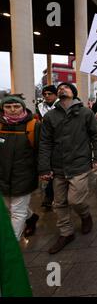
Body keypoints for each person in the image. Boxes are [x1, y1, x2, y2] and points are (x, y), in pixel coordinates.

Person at [38, 82, 97, 254]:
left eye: (66, 87)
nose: (61, 89)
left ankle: (85, 215)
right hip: (58, 166)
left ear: (73, 93)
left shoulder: (85, 113)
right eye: (59, 87)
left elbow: (96, 136)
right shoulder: (50, 116)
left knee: (76, 200)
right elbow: (45, 143)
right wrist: (44, 168)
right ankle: (66, 233)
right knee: (59, 203)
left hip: (79, 164)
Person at [0, 95, 40, 239]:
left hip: (24, 175)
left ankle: (11, 246)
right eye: (8, 107)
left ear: (23, 107)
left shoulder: (33, 126)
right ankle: (32, 217)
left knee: (17, 212)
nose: (12, 110)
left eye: (16, 106)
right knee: (8, 208)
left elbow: (41, 150)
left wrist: (44, 171)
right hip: (2, 176)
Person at [37, 85, 58, 210]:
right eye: (44, 94)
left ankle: (50, 195)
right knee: (49, 169)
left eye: (49, 93)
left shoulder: (62, 106)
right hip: (46, 141)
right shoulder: (40, 107)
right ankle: (49, 196)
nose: (47, 96)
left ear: (55, 95)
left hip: (60, 142)